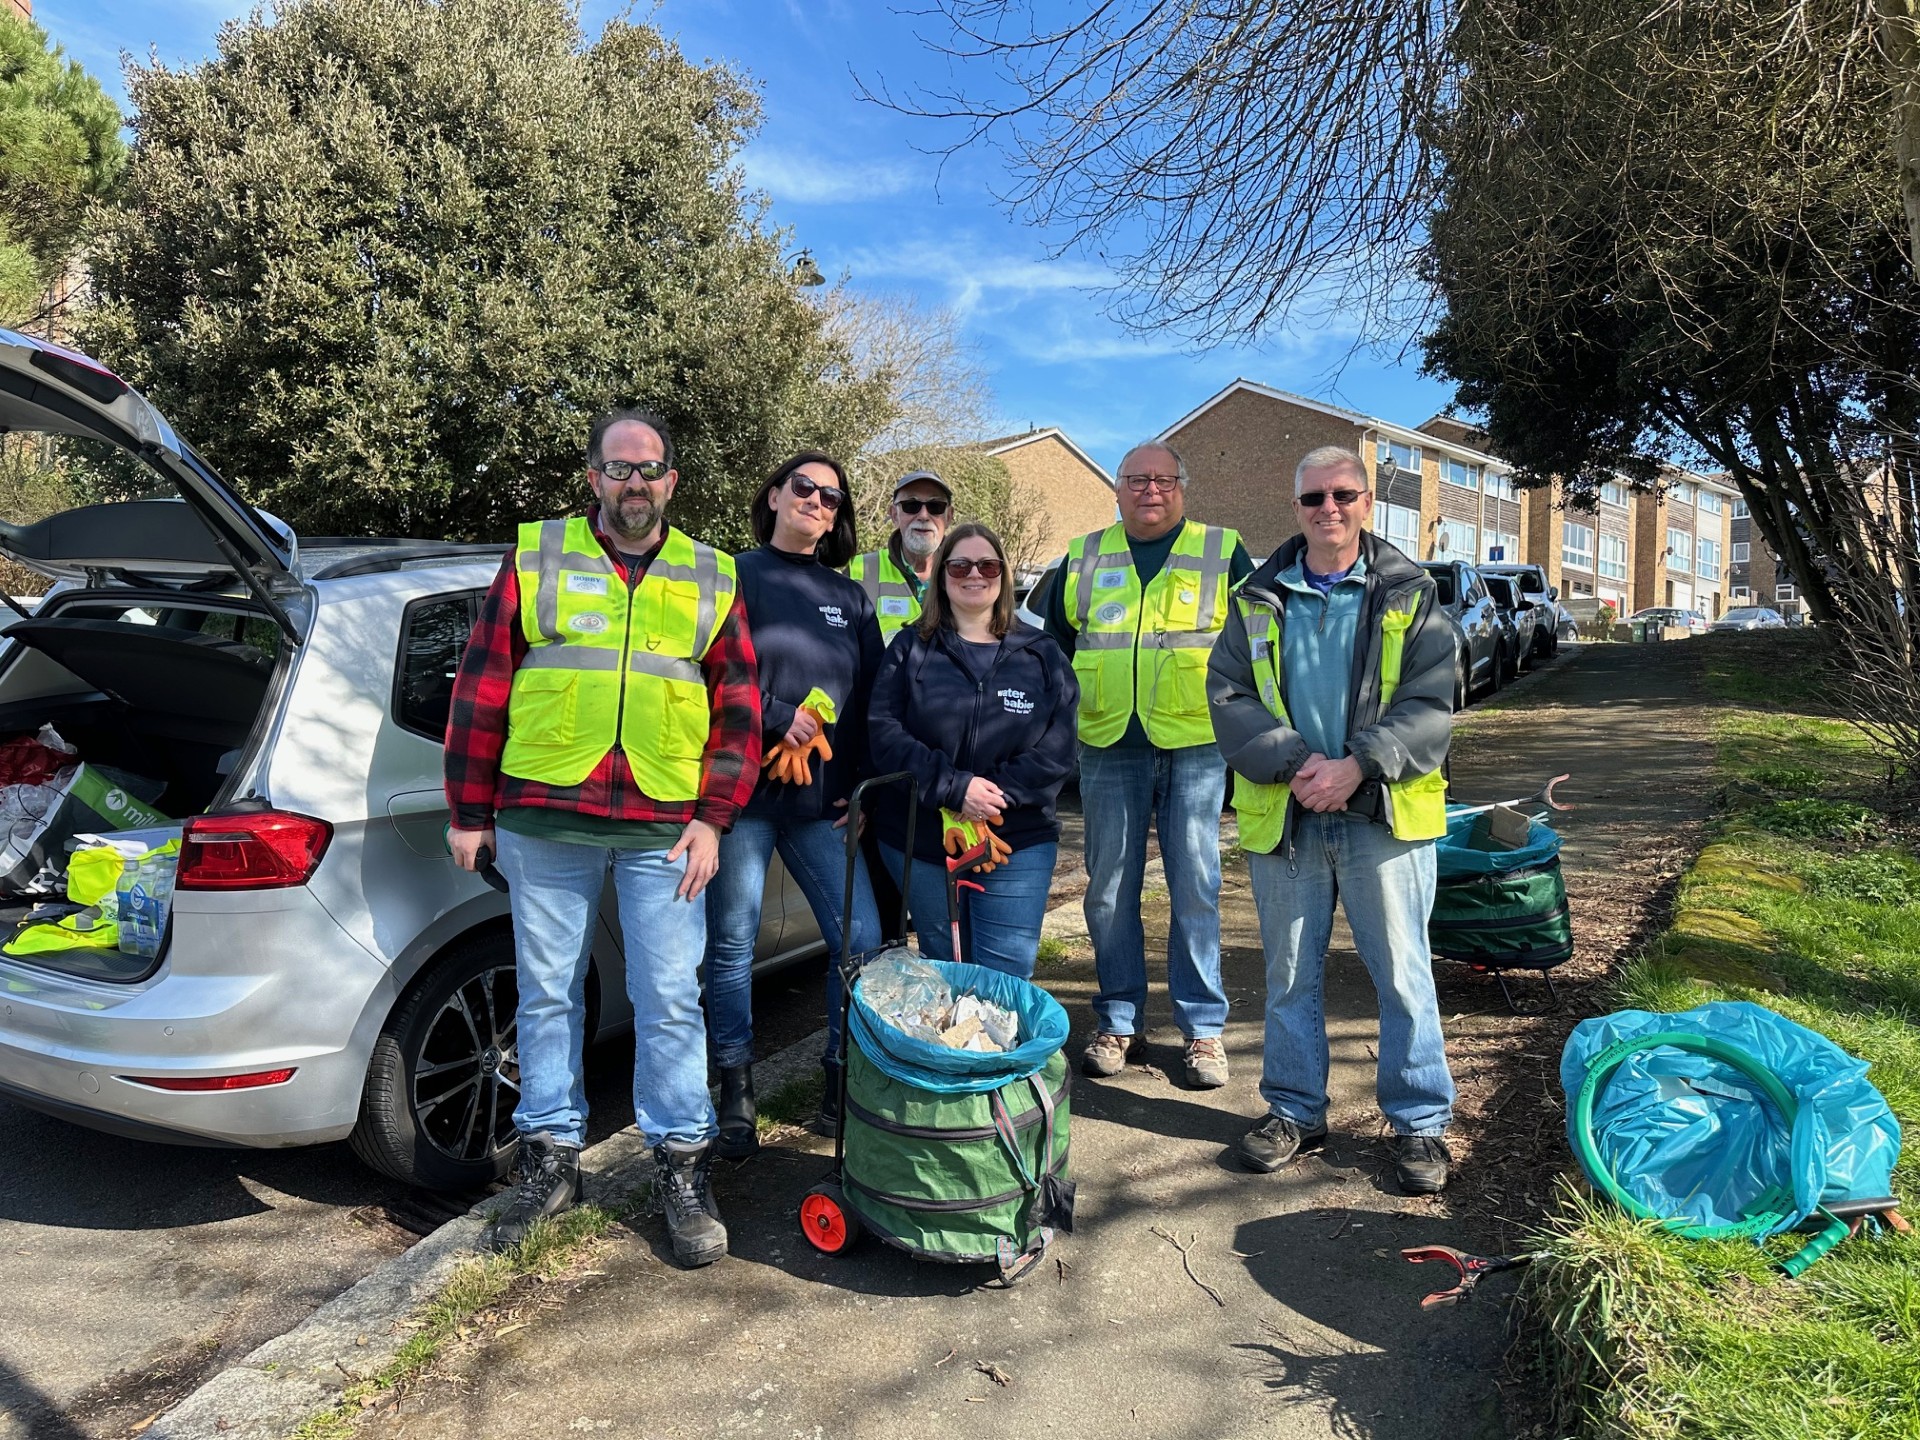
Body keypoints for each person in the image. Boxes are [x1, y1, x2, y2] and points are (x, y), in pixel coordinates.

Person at [445, 408, 760, 1267]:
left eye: (650, 468)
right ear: (594, 478)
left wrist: (713, 818)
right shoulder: (539, 555)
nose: (635, 482)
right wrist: (469, 812)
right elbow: (483, 684)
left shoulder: (711, 574)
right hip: (546, 816)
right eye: (619, 468)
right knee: (548, 994)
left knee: (670, 998)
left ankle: (682, 1166)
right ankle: (550, 1160)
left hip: (666, 825)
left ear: (671, 481)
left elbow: (738, 709)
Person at [1206, 444, 1458, 1194]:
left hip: (1383, 815)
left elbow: (1432, 702)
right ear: (1297, 508)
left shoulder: (1411, 593)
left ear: (1367, 502)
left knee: (1404, 975)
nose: (1329, 509)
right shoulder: (1256, 597)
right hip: (1290, 816)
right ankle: (1294, 1110)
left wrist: (1357, 766)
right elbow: (1228, 693)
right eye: (1314, 497)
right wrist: (1296, 765)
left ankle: (1419, 1122)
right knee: (1288, 975)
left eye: (1343, 494)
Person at [1031, 440, 1252, 1089]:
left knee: (1196, 886)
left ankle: (1203, 1029)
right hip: (1108, 745)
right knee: (1108, 891)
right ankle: (1118, 1020)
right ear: (1118, 488)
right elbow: (1053, 651)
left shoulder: (1222, 550)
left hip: (1196, 743)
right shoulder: (1083, 555)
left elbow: (1258, 643)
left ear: (1182, 486)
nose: (1150, 490)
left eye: (1162, 479)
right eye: (1136, 479)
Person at [704, 452, 883, 1154]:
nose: (816, 501)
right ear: (775, 494)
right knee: (732, 945)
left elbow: (870, 703)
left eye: (831, 498)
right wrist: (779, 715)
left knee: (860, 941)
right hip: (741, 796)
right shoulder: (732, 576)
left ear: (837, 518)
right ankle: (735, 1088)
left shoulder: (851, 599)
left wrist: (862, 788)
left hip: (822, 804)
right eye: (804, 487)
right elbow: (705, 673)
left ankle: (841, 1077)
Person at [867, 522, 1078, 976]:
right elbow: (884, 732)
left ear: (1003, 575)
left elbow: (1058, 750)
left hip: (1016, 840)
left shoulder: (1041, 654)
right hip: (922, 842)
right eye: (960, 566)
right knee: (946, 970)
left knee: (1004, 979)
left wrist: (988, 796)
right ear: (942, 575)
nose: (974, 575)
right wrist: (954, 789)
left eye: (988, 565)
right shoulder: (909, 647)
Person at [847, 470, 952, 641]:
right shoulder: (857, 571)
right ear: (894, 515)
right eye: (911, 505)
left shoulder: (969, 574)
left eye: (935, 507)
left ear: (949, 516)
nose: (924, 516)